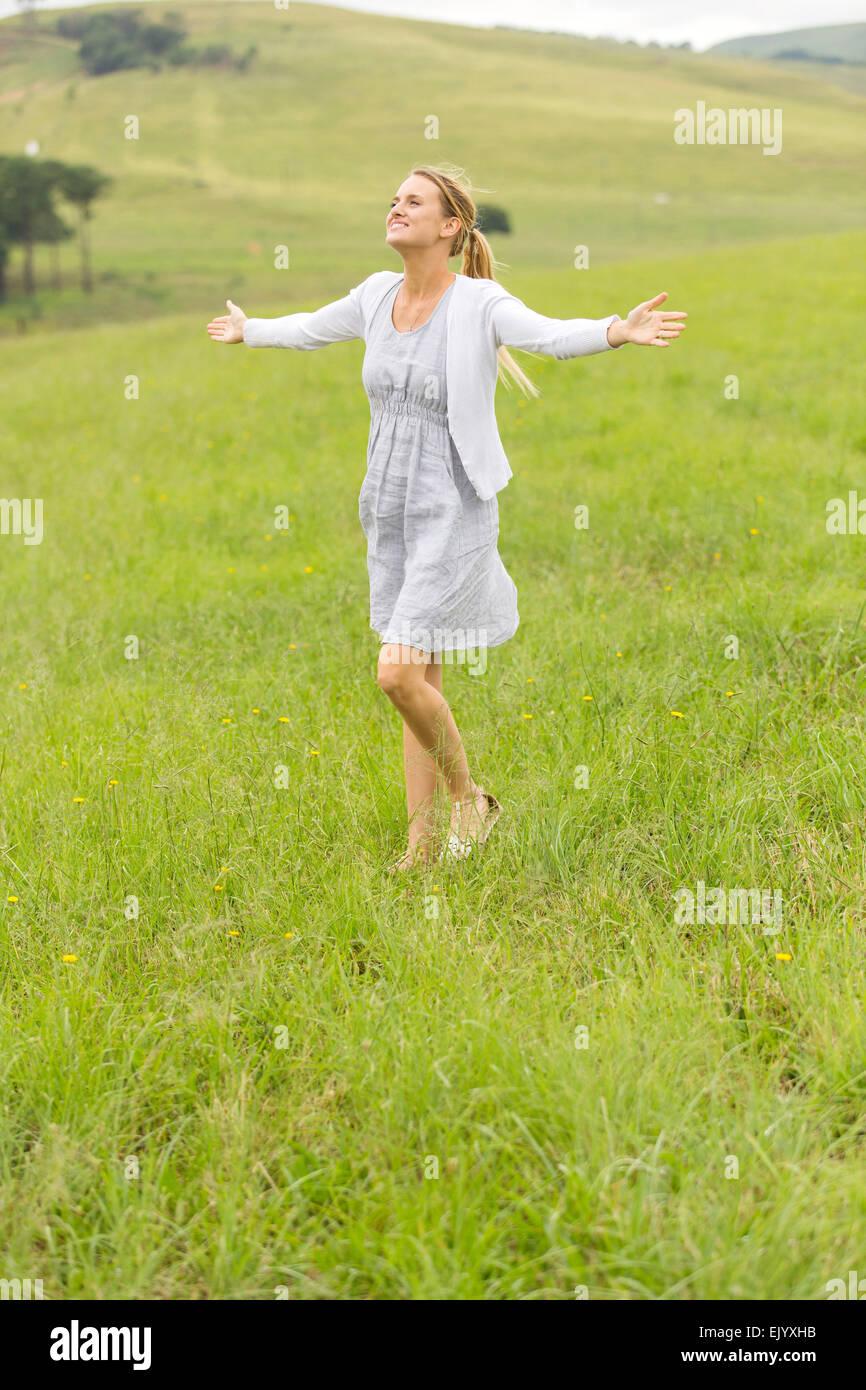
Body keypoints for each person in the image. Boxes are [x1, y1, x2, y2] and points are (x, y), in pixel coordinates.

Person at [206, 163, 686, 872]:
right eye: (394, 199)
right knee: (419, 683)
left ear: (451, 225)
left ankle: (471, 800)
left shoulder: (479, 303)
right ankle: (421, 846)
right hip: (389, 511)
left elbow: (549, 336)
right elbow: (310, 329)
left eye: (414, 201)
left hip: (452, 510)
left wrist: (616, 330)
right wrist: (251, 330)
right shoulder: (375, 295)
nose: (397, 208)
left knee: (396, 676)